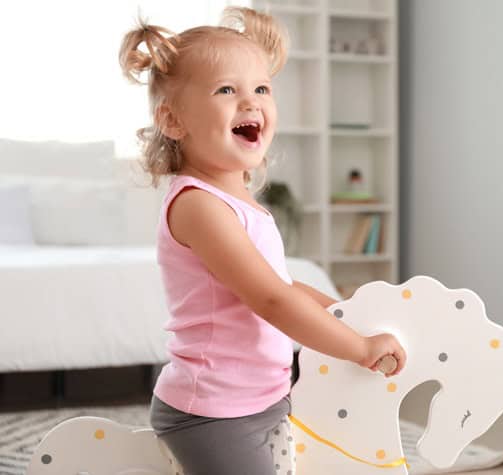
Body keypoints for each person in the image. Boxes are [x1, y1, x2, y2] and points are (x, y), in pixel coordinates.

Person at [118, 7, 406, 475]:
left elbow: (284, 285)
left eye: (262, 88)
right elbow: (271, 300)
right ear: (173, 121)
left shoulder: (242, 204)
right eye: (226, 89)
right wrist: (357, 348)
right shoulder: (198, 205)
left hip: (263, 398)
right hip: (211, 413)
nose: (250, 102)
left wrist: (345, 317)